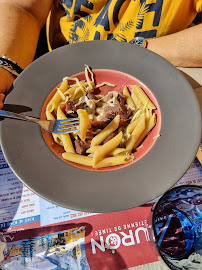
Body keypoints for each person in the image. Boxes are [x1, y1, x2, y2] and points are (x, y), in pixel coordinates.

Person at [0, 0, 202, 109]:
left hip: (157, 71)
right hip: (61, 78)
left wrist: (142, 50)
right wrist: (4, 66)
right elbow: (24, 7)